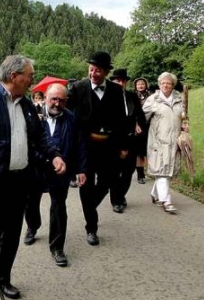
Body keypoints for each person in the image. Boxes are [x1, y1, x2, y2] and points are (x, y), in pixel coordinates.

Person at [0, 54, 66, 300]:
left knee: (11, 238)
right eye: (29, 75)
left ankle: (3, 280)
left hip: (20, 184)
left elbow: (40, 138)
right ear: (14, 76)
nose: (32, 80)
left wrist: (54, 155)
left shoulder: (28, 105)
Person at [67, 51, 128, 245]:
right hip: (85, 147)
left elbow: (121, 120)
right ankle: (91, 228)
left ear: (106, 72)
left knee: (108, 182)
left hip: (109, 147)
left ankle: (89, 207)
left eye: (98, 70)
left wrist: (123, 145)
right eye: (91, 69)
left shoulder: (117, 91)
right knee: (86, 186)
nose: (93, 73)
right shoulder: (77, 88)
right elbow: (67, 114)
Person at [24, 83, 87, 266]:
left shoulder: (71, 119)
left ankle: (57, 247)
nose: (57, 103)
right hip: (36, 168)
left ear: (66, 101)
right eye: (54, 99)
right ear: (45, 98)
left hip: (61, 170)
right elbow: (28, 144)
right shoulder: (34, 117)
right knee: (31, 202)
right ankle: (32, 226)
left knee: (59, 207)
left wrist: (82, 169)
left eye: (61, 100)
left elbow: (80, 144)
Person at [142, 71, 186, 213]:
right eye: (163, 83)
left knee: (167, 170)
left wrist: (185, 125)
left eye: (169, 83)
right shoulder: (153, 99)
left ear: (173, 85)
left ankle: (155, 194)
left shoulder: (179, 99)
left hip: (174, 141)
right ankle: (166, 201)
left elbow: (184, 117)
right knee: (162, 171)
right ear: (159, 84)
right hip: (158, 141)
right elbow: (142, 118)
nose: (166, 85)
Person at [109, 69, 146, 213]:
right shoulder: (106, 98)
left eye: (123, 80)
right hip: (113, 140)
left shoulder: (132, 96)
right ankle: (116, 200)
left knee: (129, 170)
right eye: (117, 80)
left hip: (130, 139)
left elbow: (140, 115)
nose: (120, 83)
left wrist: (138, 124)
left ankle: (121, 194)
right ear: (112, 82)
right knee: (114, 171)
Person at [133, 77, 152, 184]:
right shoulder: (133, 96)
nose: (140, 86)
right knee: (139, 150)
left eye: (142, 84)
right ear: (135, 86)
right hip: (138, 125)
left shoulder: (151, 96)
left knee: (148, 149)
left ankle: (151, 170)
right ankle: (140, 173)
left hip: (150, 125)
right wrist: (135, 124)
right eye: (138, 84)